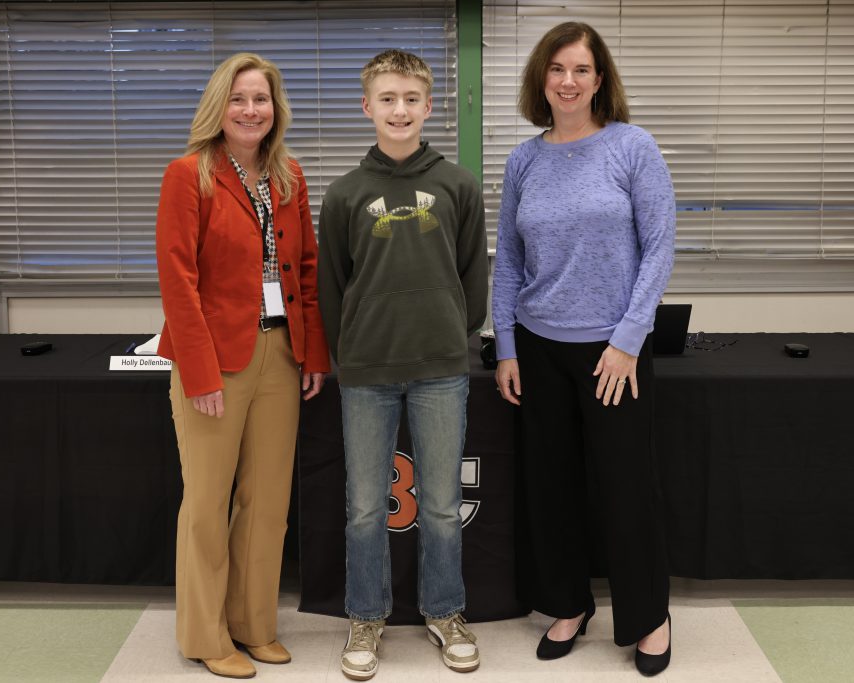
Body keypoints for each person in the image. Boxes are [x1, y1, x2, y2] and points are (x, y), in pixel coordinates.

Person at [491, 22, 676, 677]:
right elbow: (509, 261)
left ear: (600, 80)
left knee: (626, 488)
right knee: (551, 487)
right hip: (539, 348)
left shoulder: (632, 147)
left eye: (580, 69)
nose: (567, 81)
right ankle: (568, 604)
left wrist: (628, 340)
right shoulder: (524, 160)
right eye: (556, 69)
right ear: (541, 80)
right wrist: (506, 346)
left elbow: (659, 247)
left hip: (612, 352)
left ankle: (649, 615)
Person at [155, 52, 330, 680]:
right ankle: (205, 635)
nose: (251, 110)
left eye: (261, 99)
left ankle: (254, 625)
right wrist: (198, 373)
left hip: (280, 353)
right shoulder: (188, 175)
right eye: (238, 99)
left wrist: (313, 353)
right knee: (207, 502)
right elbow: (178, 282)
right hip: (215, 359)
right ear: (218, 108)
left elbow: (304, 270)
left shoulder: (288, 176)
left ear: (275, 109)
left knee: (268, 502)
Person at [316, 49, 489, 681]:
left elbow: (474, 274)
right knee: (366, 505)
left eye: (411, 99)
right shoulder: (344, 194)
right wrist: (349, 349)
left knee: (441, 503)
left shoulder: (457, 185)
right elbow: (332, 286)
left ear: (428, 106)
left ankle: (445, 611)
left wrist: (452, 331)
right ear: (368, 106)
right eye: (387, 99)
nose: (399, 110)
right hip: (367, 373)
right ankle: (366, 614)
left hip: (441, 367)